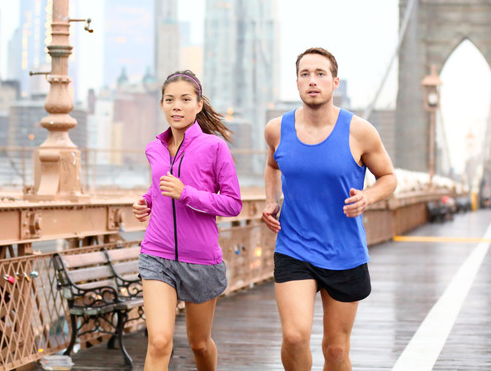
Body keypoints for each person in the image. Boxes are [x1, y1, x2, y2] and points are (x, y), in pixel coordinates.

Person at [262, 48, 397, 371]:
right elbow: (271, 165)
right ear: (296, 83)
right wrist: (271, 199)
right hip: (295, 247)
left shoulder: (360, 131)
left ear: (335, 82)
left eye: (320, 74)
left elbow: (389, 178)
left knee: (335, 350)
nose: (313, 81)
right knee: (295, 336)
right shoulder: (277, 129)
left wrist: (367, 197)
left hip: (344, 250)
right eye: (305, 74)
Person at [133, 70, 242, 371]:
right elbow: (159, 187)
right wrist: (146, 202)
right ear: (162, 105)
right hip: (157, 254)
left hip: (201, 260)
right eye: (170, 100)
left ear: (198, 105)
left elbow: (233, 204)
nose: (176, 106)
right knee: (159, 342)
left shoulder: (214, 147)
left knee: (199, 344)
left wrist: (187, 194)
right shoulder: (154, 148)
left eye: (185, 99)